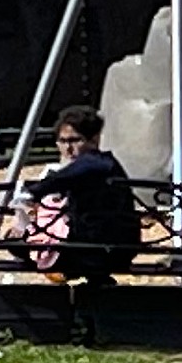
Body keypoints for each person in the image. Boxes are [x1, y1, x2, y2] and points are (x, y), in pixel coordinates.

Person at [24, 106, 140, 287]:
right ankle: (94, 283)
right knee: (21, 242)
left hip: (106, 250)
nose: (68, 148)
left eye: (75, 140)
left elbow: (58, 181)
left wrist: (32, 191)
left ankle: (71, 278)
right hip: (97, 246)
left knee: (19, 245)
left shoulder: (96, 163)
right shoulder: (89, 166)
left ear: (94, 140)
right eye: (62, 141)